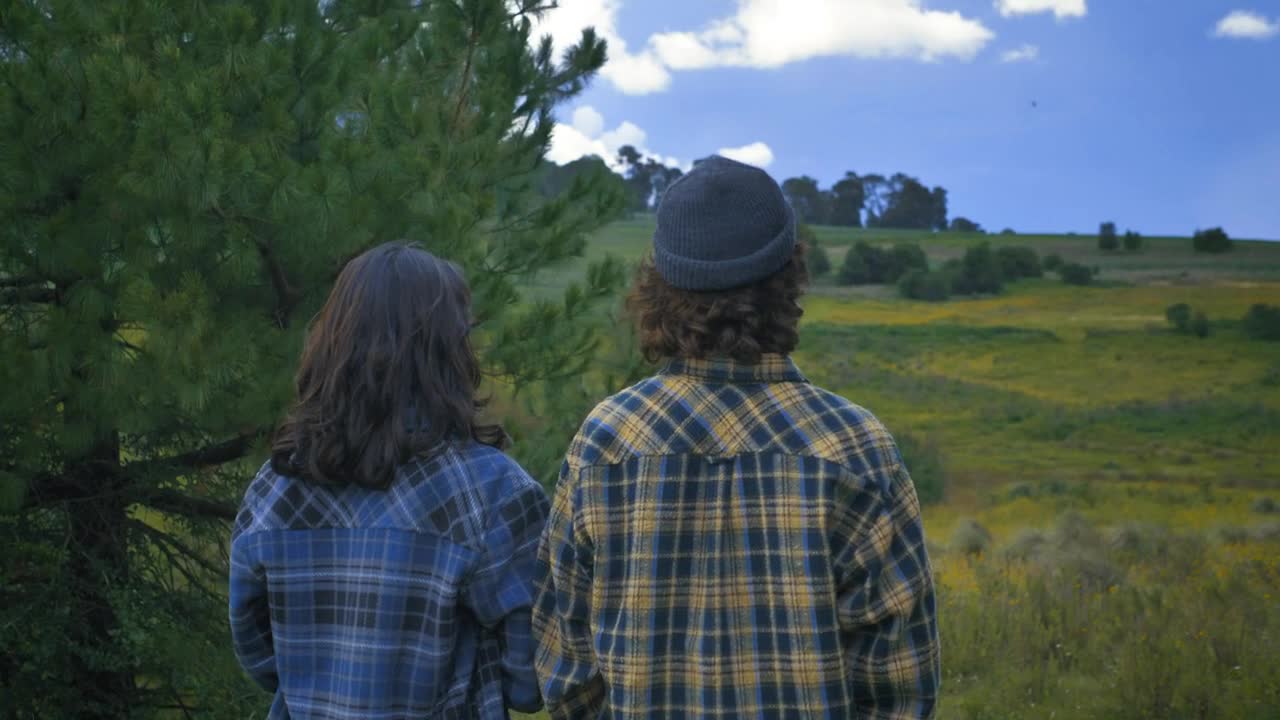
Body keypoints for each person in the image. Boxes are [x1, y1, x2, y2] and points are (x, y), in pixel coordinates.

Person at [532, 156, 940, 719]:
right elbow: (901, 689)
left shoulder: (606, 442)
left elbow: (565, 673)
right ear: (788, 278)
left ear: (662, 287)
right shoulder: (855, 448)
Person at [230, 243, 548, 719]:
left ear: (333, 342)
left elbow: (257, 655)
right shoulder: (491, 491)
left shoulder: (275, 488)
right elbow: (529, 681)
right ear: (449, 350)